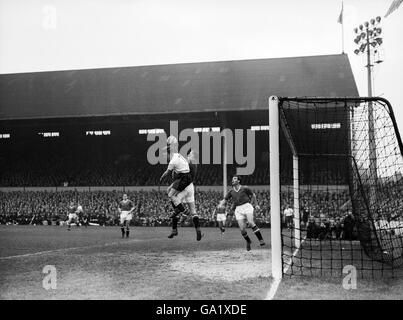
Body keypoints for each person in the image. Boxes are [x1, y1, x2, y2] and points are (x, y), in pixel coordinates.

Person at [160, 137, 202, 241]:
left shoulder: (189, 160)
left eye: (190, 153)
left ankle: (175, 229)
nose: (188, 154)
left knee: (175, 203)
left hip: (184, 187)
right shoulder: (194, 163)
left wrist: (172, 144)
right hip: (190, 187)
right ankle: (198, 230)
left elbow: (176, 158)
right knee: (193, 211)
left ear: (192, 155)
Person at [217, 175, 265, 251]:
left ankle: (261, 240)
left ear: (238, 181)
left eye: (235, 179)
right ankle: (248, 241)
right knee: (242, 229)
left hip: (247, 206)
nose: (233, 180)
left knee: (251, 222)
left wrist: (256, 205)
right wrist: (220, 204)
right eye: (232, 179)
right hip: (238, 209)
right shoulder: (231, 191)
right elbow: (225, 200)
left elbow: (253, 195)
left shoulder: (245, 188)